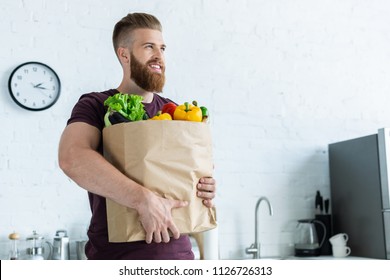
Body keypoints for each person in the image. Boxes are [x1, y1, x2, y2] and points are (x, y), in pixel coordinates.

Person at [58, 12, 216, 260]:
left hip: (179, 258)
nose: (159, 56)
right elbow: (72, 158)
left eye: (162, 48)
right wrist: (143, 200)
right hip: (117, 258)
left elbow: (188, 173)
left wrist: (204, 187)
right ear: (124, 54)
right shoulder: (97, 105)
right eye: (148, 47)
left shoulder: (176, 111)